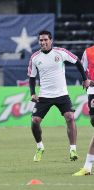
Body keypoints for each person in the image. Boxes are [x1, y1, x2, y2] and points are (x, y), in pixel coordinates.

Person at [27, 30, 89, 162]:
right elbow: (31, 77)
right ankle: (40, 147)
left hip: (62, 94)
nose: (43, 42)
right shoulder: (35, 58)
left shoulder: (61, 52)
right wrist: (32, 93)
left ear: (51, 40)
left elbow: (77, 61)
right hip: (44, 95)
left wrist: (85, 79)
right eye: (41, 40)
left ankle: (73, 149)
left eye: (45, 40)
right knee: (35, 121)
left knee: (70, 117)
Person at [73, 46, 94, 176]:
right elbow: (83, 69)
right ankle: (87, 166)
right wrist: (85, 80)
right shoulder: (88, 51)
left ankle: (87, 166)